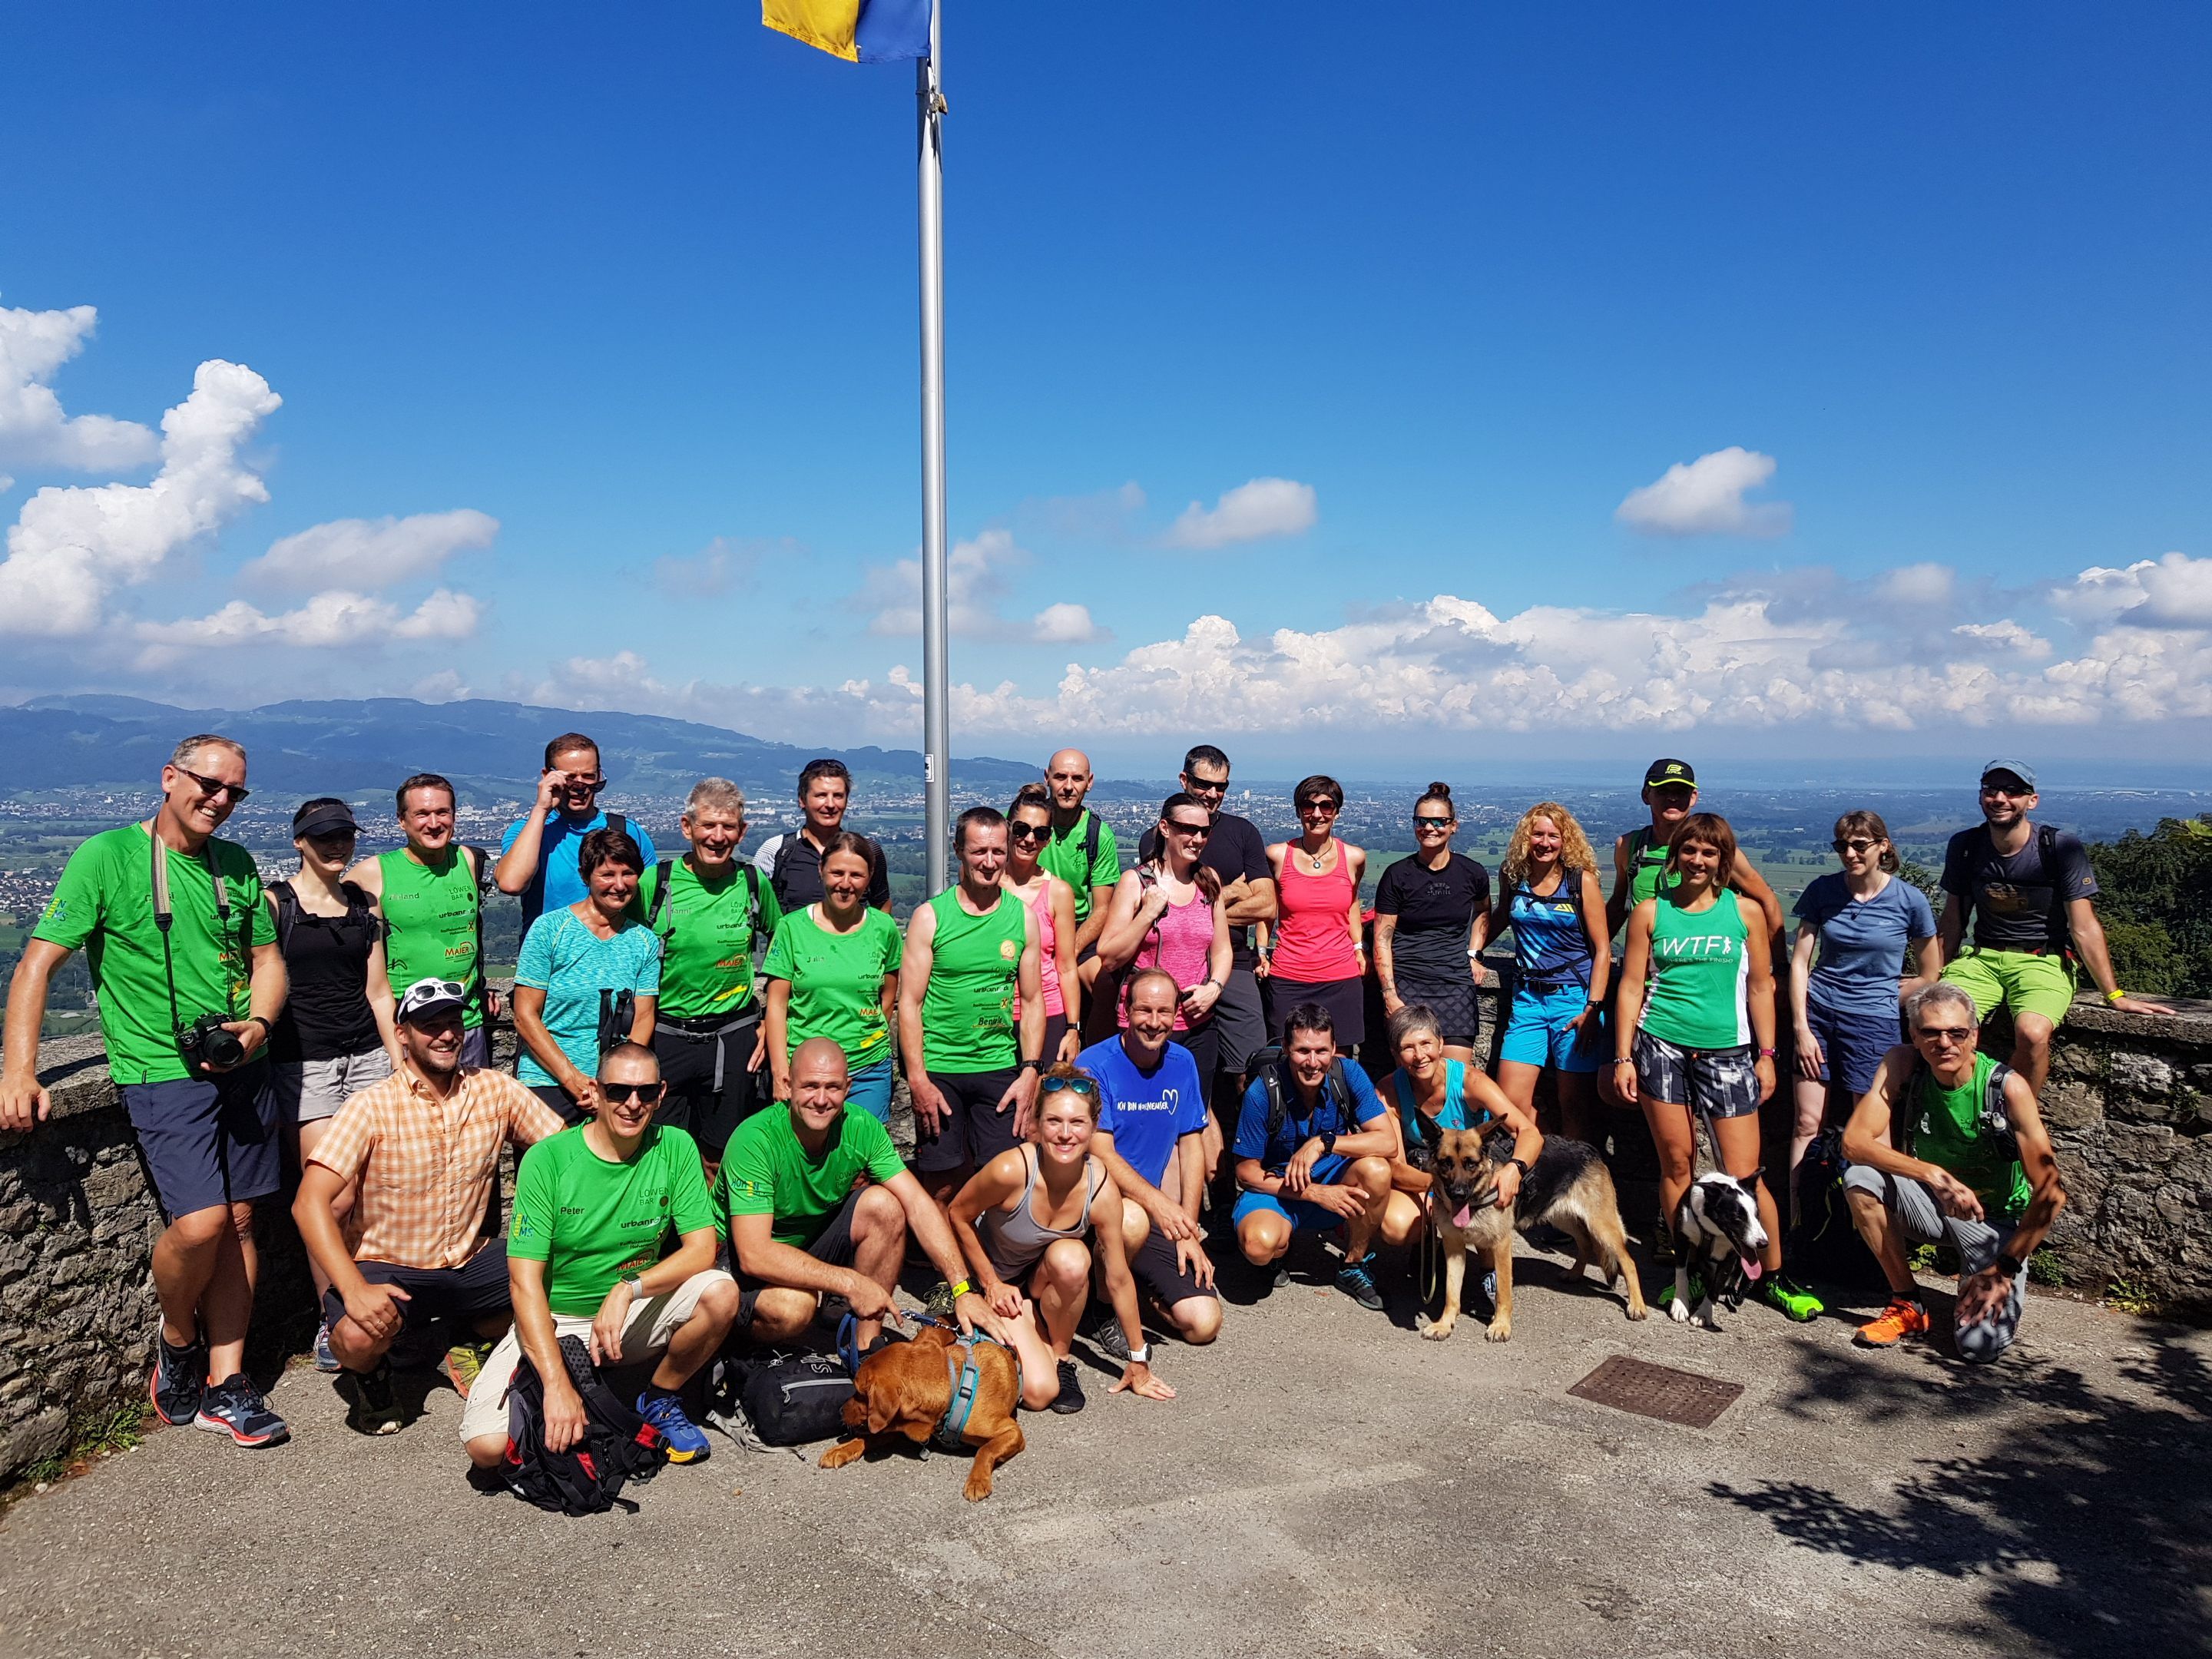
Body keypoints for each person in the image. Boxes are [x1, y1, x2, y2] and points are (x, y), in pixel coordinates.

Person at [2, 735, 290, 1446]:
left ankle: (228, 1381)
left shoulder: (238, 864)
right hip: (161, 1070)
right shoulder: (108, 857)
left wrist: (256, 1024)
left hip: (240, 1066)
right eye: (208, 784)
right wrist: (18, 1070)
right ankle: (178, 1339)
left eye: (234, 792)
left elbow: (267, 959)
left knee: (244, 1221)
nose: (219, 801)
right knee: (201, 1224)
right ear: (170, 778)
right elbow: (38, 964)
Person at [293, 979, 568, 1435]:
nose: (446, 1035)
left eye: (454, 1022)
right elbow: (309, 1204)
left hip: (468, 1262)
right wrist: (354, 1288)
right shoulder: (371, 1107)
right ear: (402, 1034)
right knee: (356, 1336)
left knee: (572, 1274)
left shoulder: (494, 1090)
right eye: (430, 1025)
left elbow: (565, 1151)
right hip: (388, 1267)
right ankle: (374, 1377)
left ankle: (462, 1336)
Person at [459, 1041, 737, 1471]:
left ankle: (659, 1397)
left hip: (628, 1312)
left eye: (645, 1093)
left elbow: (702, 1249)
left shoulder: (676, 1146)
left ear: (661, 1094)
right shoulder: (548, 1159)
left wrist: (629, 1289)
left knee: (721, 1291)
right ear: (595, 1091)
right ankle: (559, 1378)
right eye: (618, 1091)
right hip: (559, 1317)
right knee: (488, 1448)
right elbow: (524, 1281)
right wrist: (554, 1383)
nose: (632, 1104)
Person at [1614, 813, 1823, 1323]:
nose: (1698, 861)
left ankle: (1772, 1276)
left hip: (1728, 1051)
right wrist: (1623, 1056)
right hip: (1659, 1045)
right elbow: (1631, 986)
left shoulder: (1744, 912)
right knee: (1677, 1166)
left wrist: (1768, 1056)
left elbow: (1760, 987)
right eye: (1689, 851)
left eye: (1709, 853)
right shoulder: (1650, 912)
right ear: (1676, 856)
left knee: (1746, 1176)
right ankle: (1683, 1276)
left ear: (1723, 859)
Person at [720, 1037, 999, 1353]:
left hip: (808, 1239)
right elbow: (754, 1254)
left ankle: (865, 1349)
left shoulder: (861, 1126)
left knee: (887, 1205)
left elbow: (919, 1205)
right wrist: (851, 1283)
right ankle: (727, 1341)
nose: (821, 1099)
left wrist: (962, 1288)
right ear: (787, 1084)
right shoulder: (756, 1140)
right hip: (741, 1258)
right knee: (794, 1307)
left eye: (833, 1087)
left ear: (848, 1086)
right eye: (810, 1086)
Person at [1840, 982, 2067, 1363]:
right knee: (1860, 1179)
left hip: (1995, 1222)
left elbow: (2052, 1192)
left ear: (1973, 1035)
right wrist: (1933, 1175)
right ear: (1914, 1035)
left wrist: (2003, 1270)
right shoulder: (1903, 1064)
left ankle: (1979, 1277)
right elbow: (1855, 1143)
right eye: (1930, 1032)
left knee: (1977, 1348)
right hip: (1934, 1203)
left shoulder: (2006, 1087)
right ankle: (1908, 1302)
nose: (1944, 1043)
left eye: (1956, 1033)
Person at [264, 798, 402, 1371]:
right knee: (329, 1196)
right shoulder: (276, 905)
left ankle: (379, 1305)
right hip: (305, 1064)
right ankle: (336, 1317)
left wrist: (400, 1063)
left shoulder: (364, 905)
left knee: (373, 1194)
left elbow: (378, 991)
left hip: (367, 1058)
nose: (336, 845)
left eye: (344, 834)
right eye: (323, 836)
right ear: (299, 841)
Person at [1938, 760, 2171, 1098]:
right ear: (1981, 796)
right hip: (1979, 959)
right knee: (1941, 1023)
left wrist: (2114, 995)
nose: (2001, 798)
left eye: (2013, 791)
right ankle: (1963, 1106)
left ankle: (2018, 1117)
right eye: (1992, 790)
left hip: (2043, 959)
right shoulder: (1966, 846)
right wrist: (1931, 976)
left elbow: (2084, 926)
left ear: (2032, 800)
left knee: (2032, 1033)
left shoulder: (2058, 847)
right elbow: (1952, 920)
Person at [950, 1065, 1174, 1414]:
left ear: (1094, 1127)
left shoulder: (1099, 1188)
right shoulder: (1012, 1170)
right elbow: (957, 1215)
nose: (1065, 1134)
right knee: (1039, 1394)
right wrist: (988, 1283)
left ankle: (1061, 1356)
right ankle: (1020, 1338)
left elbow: (1117, 1277)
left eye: (1077, 1123)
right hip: (999, 1284)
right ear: (1036, 1124)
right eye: (1054, 1121)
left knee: (1073, 1258)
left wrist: (1138, 1358)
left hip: (1043, 1280)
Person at [1135, 745, 1276, 1177]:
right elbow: (1156, 909)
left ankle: (1249, 1170)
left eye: (1221, 787)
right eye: (1203, 785)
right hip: (1173, 964)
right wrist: (1230, 893)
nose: (1213, 794)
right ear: (1184, 782)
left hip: (1231, 963)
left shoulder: (1242, 832)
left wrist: (1207, 908)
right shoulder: (1158, 838)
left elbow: (1267, 904)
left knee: (1254, 1072)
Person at [1789, 810, 1941, 1208]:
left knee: (1872, 1134)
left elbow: (1930, 972)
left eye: (1860, 845)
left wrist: (1886, 1000)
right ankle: (1797, 1226)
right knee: (1806, 1123)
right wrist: (1802, 1029)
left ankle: (1876, 1234)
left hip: (1873, 1023)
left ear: (1883, 846)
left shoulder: (1909, 900)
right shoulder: (1823, 891)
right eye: (1843, 846)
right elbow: (1800, 962)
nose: (1850, 853)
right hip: (1818, 1012)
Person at [899, 806, 1045, 1202]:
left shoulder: (1023, 918)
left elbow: (1033, 1001)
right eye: (979, 851)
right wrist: (917, 1079)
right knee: (943, 1185)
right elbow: (909, 1004)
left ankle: (992, 1261)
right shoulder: (930, 917)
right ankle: (946, 1264)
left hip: (998, 1066)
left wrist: (1030, 1070)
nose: (990, 862)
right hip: (941, 1067)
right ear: (958, 851)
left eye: (999, 851)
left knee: (1005, 1182)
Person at [634, 778, 782, 1164]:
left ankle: (716, 1227)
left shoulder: (751, 882)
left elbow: (785, 951)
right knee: (659, 1156)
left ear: (742, 831)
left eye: (728, 827)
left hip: (732, 1037)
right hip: (665, 1034)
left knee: (723, 1157)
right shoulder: (657, 882)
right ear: (687, 827)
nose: (718, 837)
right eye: (708, 826)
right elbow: (622, 947)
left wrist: (770, 1022)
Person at [1081, 969, 1222, 1351]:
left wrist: (1188, 1230)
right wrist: (1162, 1205)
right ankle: (1102, 1308)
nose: (1155, 1022)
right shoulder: (1095, 1064)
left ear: (1177, 1014)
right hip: (1095, 1206)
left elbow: (1192, 1144)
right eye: (1144, 1010)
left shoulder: (1182, 1062)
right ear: (1125, 1011)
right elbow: (1101, 1152)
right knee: (1130, 1221)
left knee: (1203, 1323)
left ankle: (1132, 1288)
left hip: (1151, 1208)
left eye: (1164, 1012)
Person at [1231, 1002, 1396, 1312]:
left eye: (1321, 1051)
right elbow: (1245, 1173)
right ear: (1285, 1048)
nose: (1312, 1062)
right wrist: (1315, 1193)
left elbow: (1387, 1143)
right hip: (1278, 1188)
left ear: (1334, 1048)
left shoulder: (1348, 1074)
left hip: (1334, 1178)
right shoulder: (1262, 1091)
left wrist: (1324, 1142)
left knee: (1376, 1170)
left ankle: (1353, 1264)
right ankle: (1278, 1252)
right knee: (1259, 1245)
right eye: (1302, 1051)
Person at [512, 827, 660, 1124]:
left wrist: (617, 1080)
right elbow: (525, 1014)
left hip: (614, 1087)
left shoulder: (644, 941)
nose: (619, 885)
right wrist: (573, 1079)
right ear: (585, 877)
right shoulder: (549, 930)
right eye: (607, 875)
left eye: (628, 874)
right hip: (548, 1078)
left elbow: (644, 1017)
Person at [349, 773, 498, 1069]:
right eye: (422, 814)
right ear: (402, 820)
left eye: (442, 812)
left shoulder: (468, 860)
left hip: (467, 1023)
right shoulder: (373, 874)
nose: (434, 823)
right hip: (406, 1028)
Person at [1488, 802, 1611, 1143]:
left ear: (1565, 841)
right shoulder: (1513, 876)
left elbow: (1602, 950)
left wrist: (1593, 1008)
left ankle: (1574, 1179)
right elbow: (1501, 916)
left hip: (1574, 1000)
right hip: (1527, 999)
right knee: (1511, 1104)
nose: (1545, 843)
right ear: (1525, 838)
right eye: (1537, 834)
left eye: (1553, 836)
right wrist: (1469, 950)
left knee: (1574, 1105)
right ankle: (1536, 1165)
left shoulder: (1579, 882)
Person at [760, 833, 902, 1125]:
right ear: (821, 871)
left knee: (863, 1162)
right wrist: (779, 1071)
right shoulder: (791, 928)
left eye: (856, 875)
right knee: (803, 1160)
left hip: (868, 1068)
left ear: (870, 877)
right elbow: (776, 1005)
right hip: (805, 1070)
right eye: (837, 872)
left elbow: (889, 993)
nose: (845, 884)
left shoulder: (883, 928)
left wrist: (869, 1032)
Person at [1377, 1002, 1543, 1251]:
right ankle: (1427, 1245)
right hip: (1427, 1177)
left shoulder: (1471, 1082)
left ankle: (1489, 1267)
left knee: (1491, 1189)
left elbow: (1529, 1132)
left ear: (1441, 1044)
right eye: (1407, 1048)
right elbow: (1396, 1167)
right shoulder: (1388, 1092)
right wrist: (1442, 1189)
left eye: (1426, 1044)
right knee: (1395, 1226)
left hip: (1476, 1179)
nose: (1419, 1055)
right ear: (1394, 1054)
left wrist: (1514, 1170)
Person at [1096, 793, 1232, 1084]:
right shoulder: (1136, 882)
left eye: (1204, 832)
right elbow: (1108, 956)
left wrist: (1214, 988)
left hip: (1199, 1022)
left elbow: (1222, 950)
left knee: (1198, 1111)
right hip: (1146, 1024)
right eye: (1189, 829)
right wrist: (1148, 914)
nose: (1197, 839)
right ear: (1165, 828)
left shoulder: (1209, 882)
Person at [1373, 782, 1492, 1068]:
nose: (1429, 828)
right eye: (1422, 821)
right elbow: (1382, 938)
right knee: (1413, 1077)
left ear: (1454, 826)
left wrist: (1475, 953)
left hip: (1455, 985)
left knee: (1455, 1079)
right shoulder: (1397, 875)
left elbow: (1484, 912)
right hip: (1408, 984)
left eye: (1439, 821)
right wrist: (1390, 994)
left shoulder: (1471, 873)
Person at [494, 732, 657, 929]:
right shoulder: (528, 833)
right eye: (569, 778)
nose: (580, 787)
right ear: (548, 777)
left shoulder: (627, 832)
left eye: (588, 777)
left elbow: (651, 896)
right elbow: (512, 884)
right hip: (551, 955)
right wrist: (541, 810)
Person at [1257, 776, 1368, 1052]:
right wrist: (1261, 950)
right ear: (1298, 811)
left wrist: (1358, 947)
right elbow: (1266, 909)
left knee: (1337, 1064)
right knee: (1285, 1060)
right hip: (1288, 975)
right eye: (1309, 806)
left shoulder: (1354, 858)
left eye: (1326, 806)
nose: (1317, 814)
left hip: (1341, 976)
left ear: (1337, 812)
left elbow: (1352, 903)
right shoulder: (1278, 855)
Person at [1003, 783, 1082, 1064]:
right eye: (1022, 829)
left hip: (1049, 1012)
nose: (1029, 839)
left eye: (1040, 833)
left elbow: (1066, 965)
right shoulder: (987, 885)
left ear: (1048, 839)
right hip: (993, 1013)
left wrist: (1073, 1028)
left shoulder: (1058, 892)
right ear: (1008, 828)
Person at [752, 757, 892, 913]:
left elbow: (882, 906)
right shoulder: (776, 850)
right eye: (821, 795)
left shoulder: (867, 850)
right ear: (802, 800)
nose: (831, 804)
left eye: (838, 796)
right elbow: (756, 910)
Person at [1035, 748, 1121, 957]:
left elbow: (1102, 909)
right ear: (1047, 778)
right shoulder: (1020, 823)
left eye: (1077, 779)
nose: (1068, 787)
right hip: (1023, 922)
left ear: (1089, 782)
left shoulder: (1098, 835)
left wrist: (1069, 951)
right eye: (1060, 777)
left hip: (1075, 927)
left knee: (1102, 977)